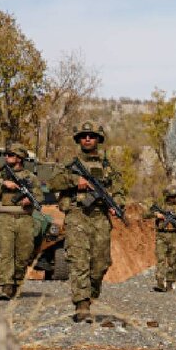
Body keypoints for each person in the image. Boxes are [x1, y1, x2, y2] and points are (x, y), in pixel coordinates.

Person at [48, 122, 127, 323]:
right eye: (84, 136)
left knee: (100, 264)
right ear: (79, 140)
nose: (88, 139)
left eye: (92, 136)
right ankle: (81, 305)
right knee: (79, 260)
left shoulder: (109, 167)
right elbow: (53, 183)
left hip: (101, 217)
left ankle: (89, 296)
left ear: (98, 139)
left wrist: (116, 204)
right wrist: (76, 182)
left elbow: (119, 191)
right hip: (77, 215)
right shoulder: (69, 164)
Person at [0, 145, 39, 301]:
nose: (7, 157)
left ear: (19, 158)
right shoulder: (0, 175)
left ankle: (16, 282)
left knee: (24, 254)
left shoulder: (30, 177)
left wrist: (30, 200)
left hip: (25, 219)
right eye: (6, 154)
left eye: (10, 154)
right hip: (5, 218)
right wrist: (3, 184)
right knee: (5, 252)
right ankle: (6, 286)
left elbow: (40, 197)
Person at [143, 185, 176, 292]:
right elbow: (145, 214)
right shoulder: (159, 206)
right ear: (167, 196)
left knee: (172, 261)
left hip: (174, 236)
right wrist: (156, 214)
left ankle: (169, 284)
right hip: (161, 235)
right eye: (172, 196)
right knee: (161, 259)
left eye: (175, 196)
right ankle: (160, 282)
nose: (174, 198)